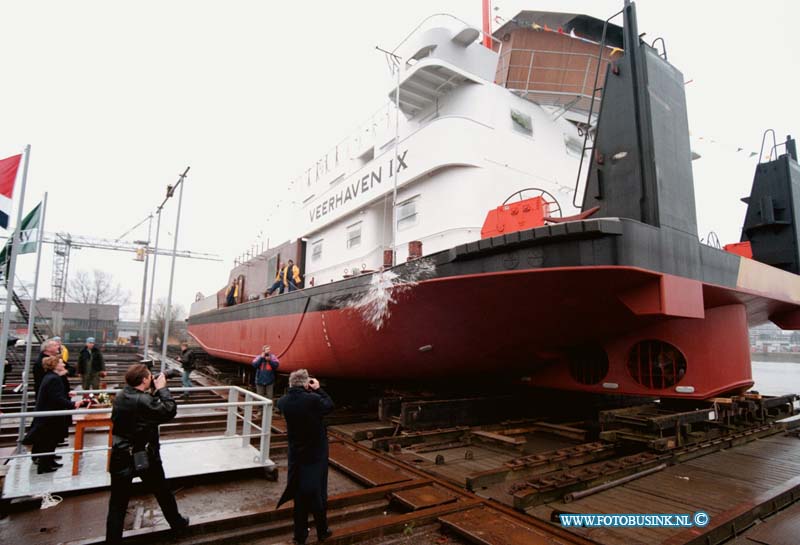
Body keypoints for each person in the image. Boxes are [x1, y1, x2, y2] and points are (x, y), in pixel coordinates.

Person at [105, 364, 189, 544]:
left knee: (117, 504)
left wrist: (155, 388)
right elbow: (169, 410)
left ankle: (112, 540)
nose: (151, 378)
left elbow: (143, 405)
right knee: (163, 492)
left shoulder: (120, 396)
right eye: (150, 376)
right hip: (143, 456)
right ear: (144, 380)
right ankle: (178, 524)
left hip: (120, 455)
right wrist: (163, 389)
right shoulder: (143, 401)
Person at [276, 369, 334, 544]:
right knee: (318, 493)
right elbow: (330, 405)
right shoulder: (313, 400)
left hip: (296, 455)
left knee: (299, 494)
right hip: (316, 454)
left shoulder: (282, 402)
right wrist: (318, 389)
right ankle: (322, 531)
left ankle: (300, 535)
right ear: (305, 383)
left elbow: (285, 404)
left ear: (290, 383)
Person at [25, 356, 83, 474]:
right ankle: (45, 466)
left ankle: (49, 462)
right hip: (50, 417)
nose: (63, 365)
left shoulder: (51, 377)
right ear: (55, 365)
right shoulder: (54, 379)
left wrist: (66, 395)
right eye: (61, 363)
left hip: (49, 415)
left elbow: (55, 395)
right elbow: (55, 399)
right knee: (48, 441)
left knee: (50, 441)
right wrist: (73, 404)